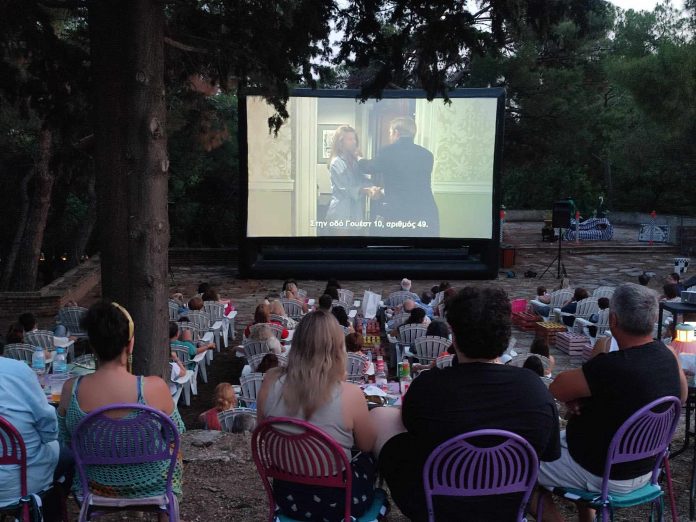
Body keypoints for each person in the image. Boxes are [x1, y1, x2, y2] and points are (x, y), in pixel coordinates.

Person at [372, 287, 560, 521]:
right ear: (505, 336)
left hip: (436, 505)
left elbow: (410, 428)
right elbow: (548, 455)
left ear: (454, 336)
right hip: (506, 503)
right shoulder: (535, 389)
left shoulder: (428, 387)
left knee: (382, 418)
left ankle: (367, 490)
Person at [536, 283, 687, 522]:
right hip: (648, 468)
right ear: (652, 319)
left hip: (603, 472)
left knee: (523, 463)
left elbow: (557, 388)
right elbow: (681, 397)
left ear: (613, 320)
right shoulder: (669, 355)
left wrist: (580, 397)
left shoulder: (610, 366)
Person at [58, 301, 185, 502]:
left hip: (95, 484)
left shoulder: (71, 389)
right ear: (130, 344)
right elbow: (175, 433)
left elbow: (65, 438)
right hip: (154, 481)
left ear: (92, 345)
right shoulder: (155, 388)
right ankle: (164, 513)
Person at [257, 312, 377, 521]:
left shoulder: (270, 379)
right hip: (338, 502)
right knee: (371, 457)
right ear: (337, 348)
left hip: (287, 497)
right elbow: (366, 445)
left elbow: (264, 430)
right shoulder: (350, 394)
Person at [0, 356, 70, 519]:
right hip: (20, 482)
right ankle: (45, 514)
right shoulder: (18, 370)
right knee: (67, 456)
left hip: (18, 478)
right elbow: (49, 429)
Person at [359, 117, 440, 236]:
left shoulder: (388, 152)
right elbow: (411, 182)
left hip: (400, 211)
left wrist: (358, 158)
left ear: (396, 133)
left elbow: (369, 168)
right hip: (426, 211)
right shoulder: (427, 155)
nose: (390, 136)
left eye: (390, 133)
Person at [324, 125, 378, 232]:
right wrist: (365, 190)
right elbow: (345, 188)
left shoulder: (355, 161)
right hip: (340, 212)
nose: (354, 142)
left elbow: (362, 179)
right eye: (350, 139)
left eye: (354, 139)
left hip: (355, 212)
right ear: (341, 142)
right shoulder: (336, 162)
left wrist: (373, 188)